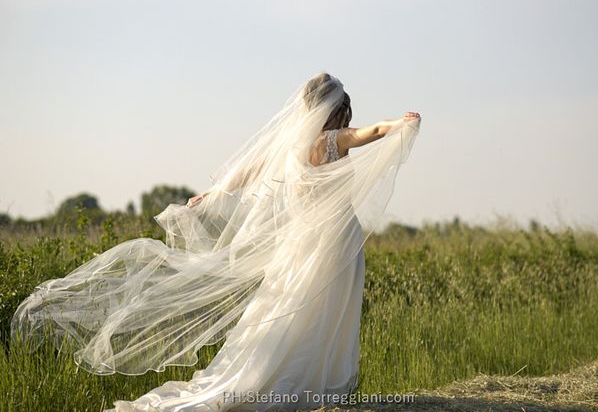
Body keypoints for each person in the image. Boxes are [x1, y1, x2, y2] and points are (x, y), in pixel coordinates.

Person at [11, 72, 421, 411]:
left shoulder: (290, 149)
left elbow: (245, 173)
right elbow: (374, 131)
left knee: (286, 307)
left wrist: (211, 194)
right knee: (324, 311)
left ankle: (292, 379)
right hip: (334, 240)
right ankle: (316, 385)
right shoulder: (332, 141)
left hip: (302, 241)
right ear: (332, 111)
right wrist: (403, 124)